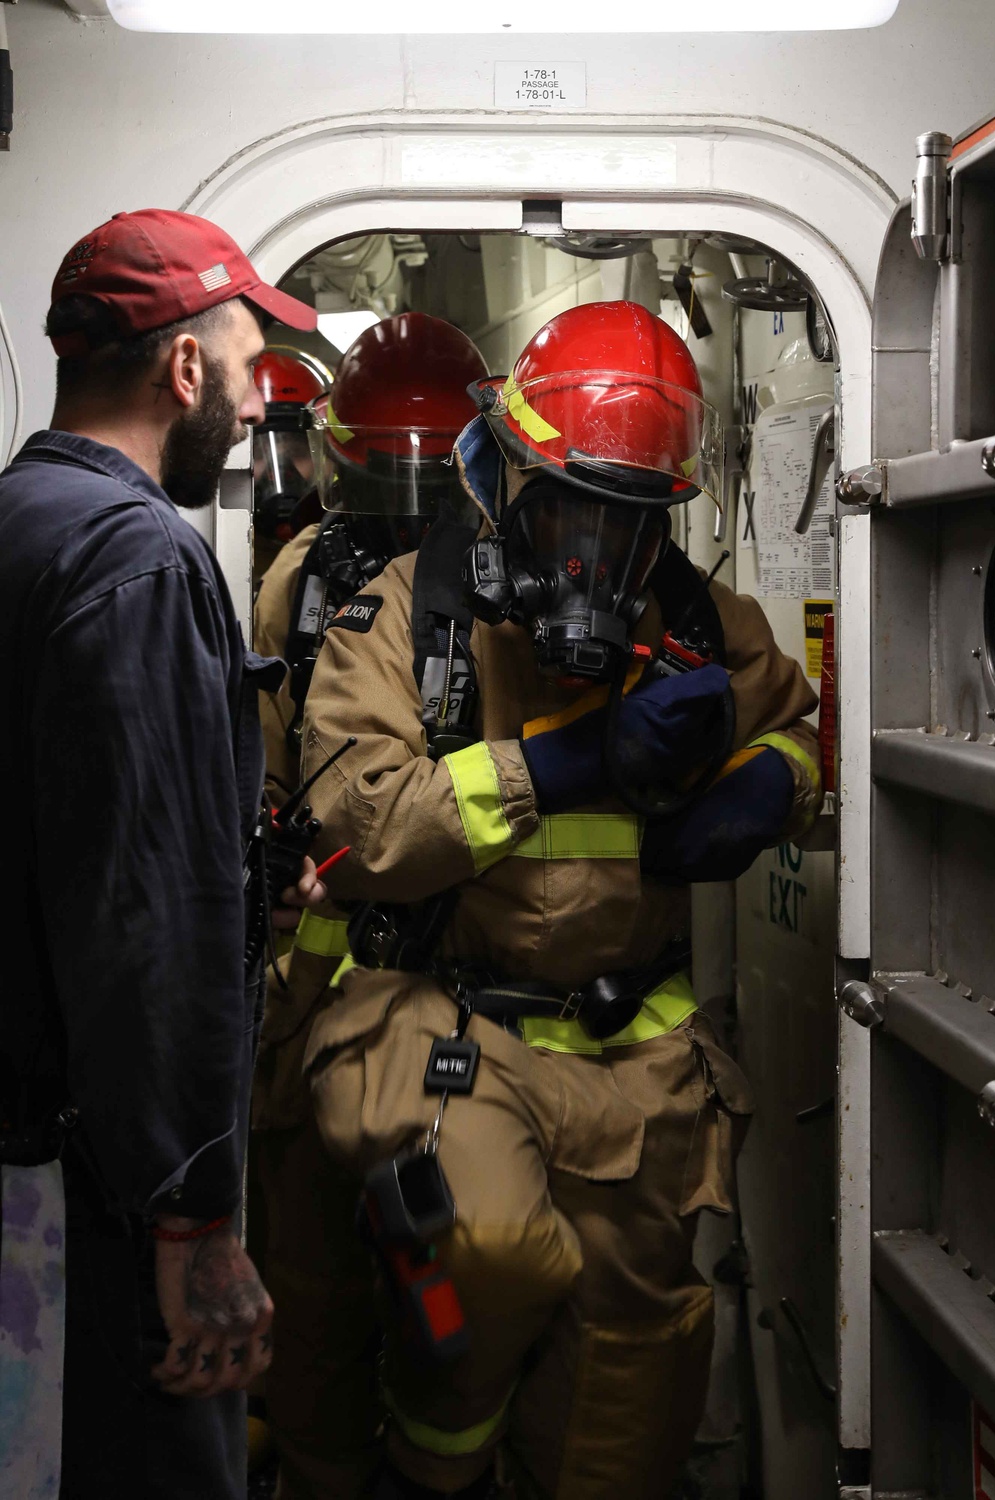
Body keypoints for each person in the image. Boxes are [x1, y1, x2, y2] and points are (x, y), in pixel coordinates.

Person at [298, 301, 823, 1500]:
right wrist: (564, 763)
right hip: (454, 1026)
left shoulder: (692, 624)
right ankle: (427, 1474)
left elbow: (797, 725)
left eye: (630, 525)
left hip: (635, 1059)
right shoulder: (405, 618)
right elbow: (367, 828)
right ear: (504, 481)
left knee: (629, 1381)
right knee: (478, 1261)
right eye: (571, 509)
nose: (596, 556)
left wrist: (763, 791)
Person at [0, 207, 323, 1500]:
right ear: (182, 371)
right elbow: (146, 920)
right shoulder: (142, 559)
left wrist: (248, 870)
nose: (255, 413)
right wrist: (194, 1222)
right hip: (105, 1196)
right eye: (248, 374)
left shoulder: (21, 522)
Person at [251, 312, 489, 1499]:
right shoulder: (299, 586)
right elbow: (261, 771)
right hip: (313, 989)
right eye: (387, 473)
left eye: (431, 476)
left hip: (455, 996)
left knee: (446, 1281)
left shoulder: (507, 589)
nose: (409, 504)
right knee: (309, 1292)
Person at [250, 347, 329, 580]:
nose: (279, 473)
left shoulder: (340, 558)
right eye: (258, 453)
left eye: (297, 452)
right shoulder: (219, 553)